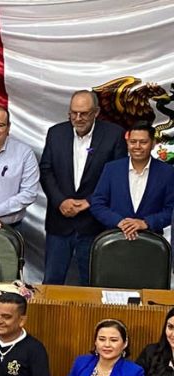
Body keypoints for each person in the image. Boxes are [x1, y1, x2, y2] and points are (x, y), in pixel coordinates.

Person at [39, 90, 127, 285]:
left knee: (92, 285)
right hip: (59, 222)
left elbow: (117, 177)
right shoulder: (56, 133)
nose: (78, 118)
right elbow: (46, 170)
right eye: (73, 113)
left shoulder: (114, 135)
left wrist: (90, 201)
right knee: (52, 282)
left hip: (94, 223)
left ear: (96, 112)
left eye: (84, 113)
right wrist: (60, 201)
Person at [90, 121, 174, 240]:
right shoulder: (112, 169)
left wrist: (146, 223)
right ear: (127, 143)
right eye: (133, 142)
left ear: (153, 144)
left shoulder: (167, 172)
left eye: (143, 142)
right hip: (114, 239)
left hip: (151, 242)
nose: (137, 146)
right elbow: (97, 204)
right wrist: (120, 222)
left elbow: (171, 209)